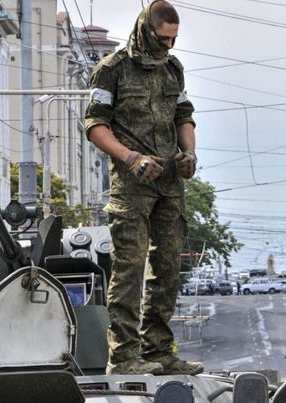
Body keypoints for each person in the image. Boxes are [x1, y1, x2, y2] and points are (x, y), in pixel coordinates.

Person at [84, 0, 202, 376]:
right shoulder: (111, 70)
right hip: (132, 186)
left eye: (174, 40)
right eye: (163, 39)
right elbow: (94, 126)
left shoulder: (173, 70)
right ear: (146, 31)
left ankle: (158, 351)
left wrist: (189, 154)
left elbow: (184, 116)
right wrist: (131, 157)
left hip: (169, 184)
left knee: (168, 269)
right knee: (130, 271)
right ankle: (124, 358)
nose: (169, 46)